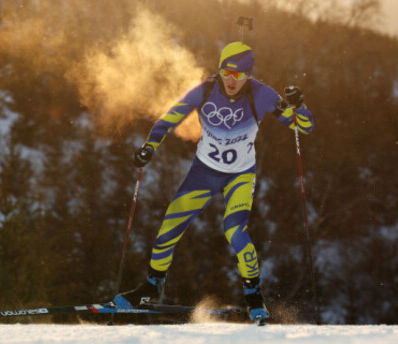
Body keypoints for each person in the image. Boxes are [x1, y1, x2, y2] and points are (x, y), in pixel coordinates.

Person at [112, 42, 314, 322]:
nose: (231, 80)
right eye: (226, 72)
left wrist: (299, 105)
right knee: (169, 227)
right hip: (204, 172)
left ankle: (255, 297)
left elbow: (303, 126)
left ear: (249, 75)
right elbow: (167, 121)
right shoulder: (204, 90)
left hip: (240, 176)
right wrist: (149, 147)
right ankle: (151, 288)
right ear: (219, 69)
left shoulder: (263, 95)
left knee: (235, 231)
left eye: (239, 75)